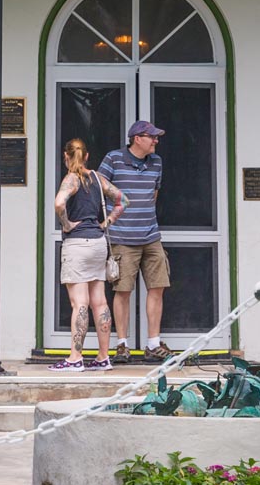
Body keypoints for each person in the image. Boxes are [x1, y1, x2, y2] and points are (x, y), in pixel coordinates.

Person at [51, 137, 127, 371]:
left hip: (78, 244)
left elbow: (59, 203)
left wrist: (65, 224)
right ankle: (103, 357)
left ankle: (75, 358)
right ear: (86, 156)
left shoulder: (71, 179)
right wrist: (108, 221)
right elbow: (123, 199)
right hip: (98, 242)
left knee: (79, 303)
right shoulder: (97, 178)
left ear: (66, 156)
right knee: (100, 301)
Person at [99, 120, 170, 362]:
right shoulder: (114, 159)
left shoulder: (157, 162)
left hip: (151, 235)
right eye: (152, 137)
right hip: (122, 237)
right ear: (137, 138)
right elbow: (99, 190)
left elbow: (154, 194)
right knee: (123, 290)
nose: (156, 141)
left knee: (158, 287)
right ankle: (122, 344)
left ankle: (152, 343)